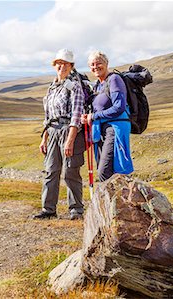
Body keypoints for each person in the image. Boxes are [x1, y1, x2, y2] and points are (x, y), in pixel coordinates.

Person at [33, 49, 86, 220]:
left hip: (70, 131)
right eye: (58, 63)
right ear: (54, 65)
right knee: (51, 171)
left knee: (70, 171)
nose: (61, 66)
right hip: (52, 131)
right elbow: (48, 117)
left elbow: (77, 115)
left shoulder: (75, 86)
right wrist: (44, 138)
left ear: (71, 66)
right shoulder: (52, 87)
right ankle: (48, 209)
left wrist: (70, 140)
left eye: (65, 63)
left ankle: (76, 210)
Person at [81, 51, 134, 182]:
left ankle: (118, 201)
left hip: (115, 127)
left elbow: (119, 107)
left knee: (105, 170)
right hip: (101, 129)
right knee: (104, 169)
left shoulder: (114, 79)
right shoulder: (98, 85)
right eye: (92, 64)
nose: (95, 67)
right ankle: (113, 201)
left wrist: (93, 116)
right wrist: (88, 117)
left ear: (106, 64)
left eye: (99, 63)